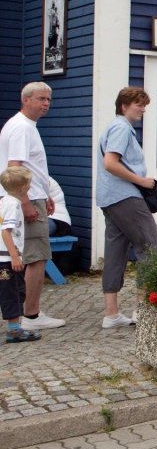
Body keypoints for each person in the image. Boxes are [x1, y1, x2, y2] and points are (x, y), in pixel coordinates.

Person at [97, 87, 157, 329]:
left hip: (109, 197)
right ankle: (143, 307)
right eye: (139, 104)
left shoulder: (115, 127)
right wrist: (142, 181)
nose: (143, 109)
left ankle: (111, 313)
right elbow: (110, 163)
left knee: (116, 251)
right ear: (123, 106)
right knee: (151, 247)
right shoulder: (121, 128)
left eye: (145, 105)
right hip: (125, 196)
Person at [0, 82, 63, 330]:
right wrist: (26, 202)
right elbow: (15, 167)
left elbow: (33, 168)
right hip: (25, 198)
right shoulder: (21, 128)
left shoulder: (25, 126)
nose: (46, 103)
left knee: (33, 255)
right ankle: (32, 315)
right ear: (25, 100)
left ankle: (26, 312)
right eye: (40, 99)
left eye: (48, 99)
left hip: (33, 194)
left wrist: (45, 193)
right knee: (37, 257)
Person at [1, 167, 40, 342]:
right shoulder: (13, 204)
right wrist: (15, 256)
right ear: (24, 187)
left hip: (6, 257)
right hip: (7, 259)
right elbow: (5, 231)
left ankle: (14, 328)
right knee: (14, 292)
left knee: (12, 291)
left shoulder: (4, 200)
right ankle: (14, 330)